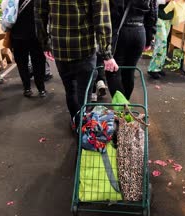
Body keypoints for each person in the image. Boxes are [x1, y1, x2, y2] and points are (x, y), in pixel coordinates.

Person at [35, 0, 119, 128]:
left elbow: (39, 15)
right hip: (84, 49)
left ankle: (76, 123)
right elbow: (102, 20)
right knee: (84, 94)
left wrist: (45, 43)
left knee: (70, 90)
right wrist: (106, 54)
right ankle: (83, 128)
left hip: (60, 49)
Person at [105, 0, 157, 100]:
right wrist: (149, 38)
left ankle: (121, 108)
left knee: (113, 71)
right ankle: (125, 104)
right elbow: (153, 14)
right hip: (140, 32)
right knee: (129, 71)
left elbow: (112, 11)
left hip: (120, 32)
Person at [11, 0, 47, 97]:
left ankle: (27, 88)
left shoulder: (12, 0)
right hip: (35, 36)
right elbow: (44, 16)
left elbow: (6, 15)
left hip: (17, 36)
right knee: (38, 62)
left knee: (22, 64)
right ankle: (41, 89)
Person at [147, 0, 174, 79]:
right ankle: (152, 68)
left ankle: (158, 67)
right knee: (161, 42)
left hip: (168, 18)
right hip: (159, 17)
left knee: (165, 44)